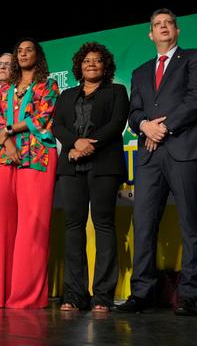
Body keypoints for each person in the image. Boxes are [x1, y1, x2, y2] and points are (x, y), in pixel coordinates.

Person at [116, 9, 197, 316]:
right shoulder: (140, 71)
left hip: (184, 149)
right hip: (149, 155)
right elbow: (134, 113)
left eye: (168, 23)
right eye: (157, 25)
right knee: (143, 224)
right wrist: (145, 126)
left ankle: (189, 295)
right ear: (150, 34)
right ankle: (142, 293)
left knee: (190, 223)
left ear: (177, 30)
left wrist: (164, 127)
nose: (163, 28)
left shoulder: (195, 57)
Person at [0, 39, 60, 309]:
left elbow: (43, 117)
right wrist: (7, 141)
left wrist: (11, 132)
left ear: (38, 55)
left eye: (29, 50)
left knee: (30, 227)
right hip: (4, 156)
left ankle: (25, 297)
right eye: (19, 51)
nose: (23, 54)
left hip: (35, 156)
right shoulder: (4, 90)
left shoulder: (48, 85)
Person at [51, 42, 129, 312]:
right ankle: (74, 294)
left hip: (104, 164)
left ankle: (103, 296)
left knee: (103, 225)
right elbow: (57, 125)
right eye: (86, 61)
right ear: (79, 66)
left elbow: (117, 123)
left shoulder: (117, 91)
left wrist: (88, 145)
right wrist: (74, 144)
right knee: (73, 227)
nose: (91, 64)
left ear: (105, 66)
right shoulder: (66, 95)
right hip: (71, 165)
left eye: (97, 60)